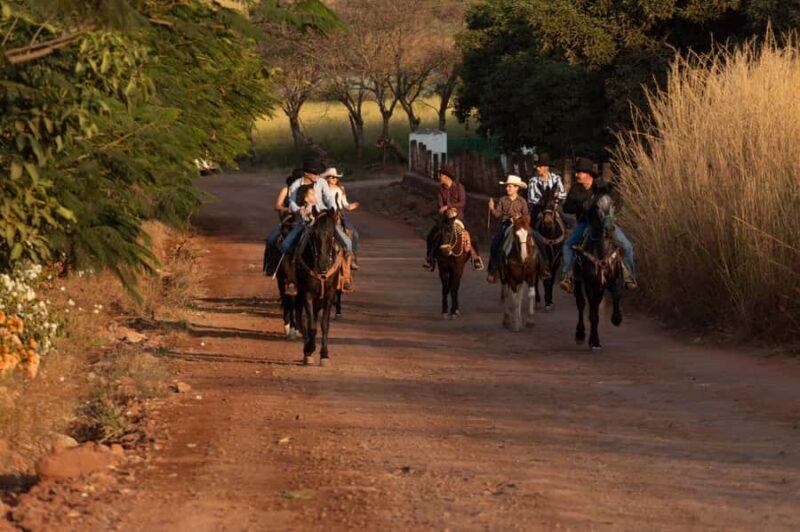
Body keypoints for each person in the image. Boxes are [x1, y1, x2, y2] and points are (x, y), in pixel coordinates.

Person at [559, 157, 637, 293]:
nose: (576, 175)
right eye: (576, 172)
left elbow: (618, 200)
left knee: (627, 247)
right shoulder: (575, 190)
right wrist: (581, 206)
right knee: (567, 244)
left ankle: (628, 277)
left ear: (588, 174)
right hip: (585, 224)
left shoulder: (603, 187)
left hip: (606, 223)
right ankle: (568, 276)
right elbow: (566, 208)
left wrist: (611, 214)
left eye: (579, 172)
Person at [282, 165, 354, 295]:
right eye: (313, 173)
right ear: (306, 173)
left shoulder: (321, 182)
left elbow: (329, 198)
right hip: (304, 221)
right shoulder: (296, 185)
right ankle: (292, 280)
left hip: (323, 218)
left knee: (347, 243)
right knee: (286, 245)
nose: (316, 175)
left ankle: (345, 276)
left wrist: (332, 209)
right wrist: (299, 209)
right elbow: (291, 201)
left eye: (316, 173)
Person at [423, 164, 484, 271]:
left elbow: (462, 202)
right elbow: (440, 204)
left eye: (440, 175)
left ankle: (475, 259)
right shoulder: (441, 190)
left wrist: (449, 206)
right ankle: (430, 258)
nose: (439, 177)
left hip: (458, 217)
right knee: (431, 235)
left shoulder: (460, 187)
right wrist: (444, 209)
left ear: (446, 176)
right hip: (445, 218)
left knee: (471, 236)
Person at [485, 175, 530, 284]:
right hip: (506, 224)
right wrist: (492, 209)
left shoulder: (522, 201)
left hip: (519, 225)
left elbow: (527, 216)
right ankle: (492, 270)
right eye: (507, 186)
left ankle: (538, 266)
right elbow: (497, 214)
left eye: (510, 186)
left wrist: (520, 219)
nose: (507, 188)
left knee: (533, 240)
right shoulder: (503, 199)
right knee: (495, 243)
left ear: (516, 188)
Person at [322, 167, 360, 270]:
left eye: (336, 177)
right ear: (327, 178)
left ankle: (353, 259)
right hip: (328, 215)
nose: (335, 179)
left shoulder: (341, 189)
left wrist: (350, 206)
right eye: (332, 177)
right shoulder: (323, 189)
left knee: (355, 234)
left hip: (340, 214)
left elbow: (345, 203)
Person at [527, 153, 567, 224]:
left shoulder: (556, 178)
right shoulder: (533, 181)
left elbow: (564, 194)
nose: (537, 168)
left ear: (546, 167)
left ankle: (567, 232)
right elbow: (531, 198)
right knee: (532, 223)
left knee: (567, 222)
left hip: (554, 207)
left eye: (540, 166)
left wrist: (557, 195)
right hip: (539, 208)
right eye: (537, 166)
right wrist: (543, 201)